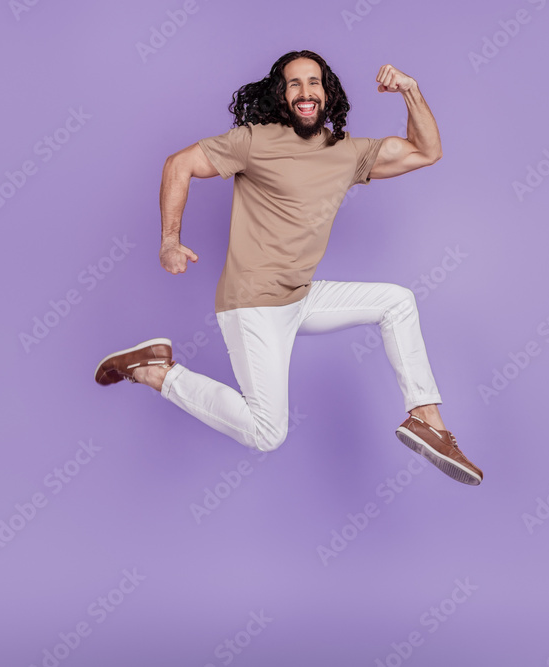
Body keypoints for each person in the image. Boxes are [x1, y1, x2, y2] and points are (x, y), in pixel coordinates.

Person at [94, 50, 483, 485]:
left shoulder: (346, 153)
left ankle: (426, 418)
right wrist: (170, 241)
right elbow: (178, 163)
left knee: (397, 301)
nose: (305, 91)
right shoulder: (254, 141)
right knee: (267, 433)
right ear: (282, 95)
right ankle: (157, 371)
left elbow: (426, 151)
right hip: (253, 303)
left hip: (300, 295)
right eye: (294, 83)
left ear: (326, 92)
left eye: (313, 82)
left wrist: (410, 91)